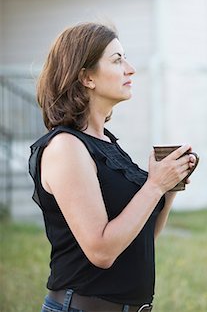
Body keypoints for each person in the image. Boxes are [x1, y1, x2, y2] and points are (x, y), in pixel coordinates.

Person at [29, 22, 196, 312]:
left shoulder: (106, 143)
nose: (130, 69)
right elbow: (102, 251)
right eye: (117, 60)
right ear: (87, 77)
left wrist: (168, 187)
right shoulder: (66, 147)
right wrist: (154, 185)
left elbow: (142, 235)